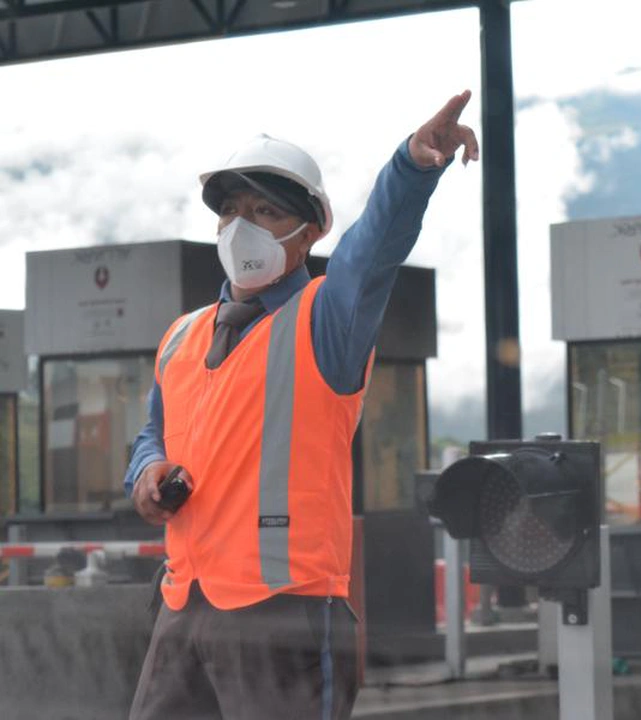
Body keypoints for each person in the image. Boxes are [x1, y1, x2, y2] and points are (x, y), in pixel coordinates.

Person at [123, 90, 479, 720]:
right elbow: (152, 434)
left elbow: (373, 251)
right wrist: (147, 475)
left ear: (311, 228)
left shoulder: (324, 320)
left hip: (283, 608)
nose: (242, 227)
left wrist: (412, 168)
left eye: (264, 211)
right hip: (183, 602)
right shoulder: (182, 335)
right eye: (230, 210)